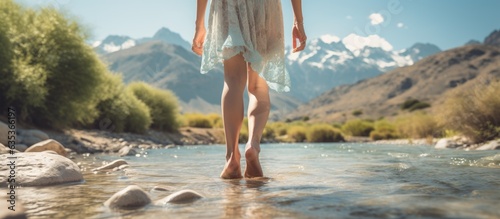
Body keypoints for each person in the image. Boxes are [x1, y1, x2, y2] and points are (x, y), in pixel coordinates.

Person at [192, 0, 306, 179]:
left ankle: (231, 157)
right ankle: (253, 145)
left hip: (227, 5)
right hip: (265, 7)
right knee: (258, 86)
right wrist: (298, 21)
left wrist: (199, 24)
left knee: (233, 80)